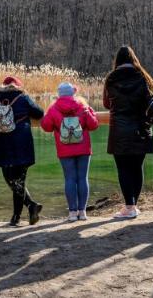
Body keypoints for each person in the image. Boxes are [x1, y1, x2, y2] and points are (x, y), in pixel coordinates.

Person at [0, 76, 45, 226]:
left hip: (2, 144)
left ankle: (18, 215)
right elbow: (39, 113)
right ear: (18, 86)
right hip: (22, 143)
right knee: (19, 180)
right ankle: (28, 208)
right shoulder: (23, 98)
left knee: (11, 179)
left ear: (3, 86)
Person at [103, 46, 153, 219]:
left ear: (117, 61)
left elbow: (106, 103)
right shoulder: (143, 76)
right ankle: (133, 205)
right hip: (141, 129)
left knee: (123, 169)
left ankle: (129, 206)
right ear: (134, 58)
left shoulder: (111, 78)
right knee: (137, 167)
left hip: (119, 130)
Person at [41, 82, 99, 222]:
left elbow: (46, 127)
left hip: (64, 148)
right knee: (82, 178)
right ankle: (83, 212)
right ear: (73, 92)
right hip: (83, 148)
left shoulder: (54, 108)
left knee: (70, 179)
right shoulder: (83, 106)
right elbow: (93, 125)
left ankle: (72, 213)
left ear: (59, 94)